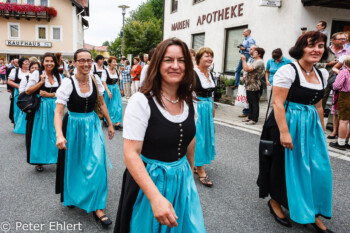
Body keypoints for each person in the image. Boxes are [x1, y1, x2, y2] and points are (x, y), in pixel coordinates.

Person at [114, 38, 206, 233]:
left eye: (181, 60)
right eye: (168, 60)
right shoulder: (141, 102)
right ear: (157, 64)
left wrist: (189, 171)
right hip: (149, 181)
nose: (175, 66)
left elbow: (190, 139)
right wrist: (155, 197)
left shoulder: (190, 100)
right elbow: (131, 153)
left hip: (181, 179)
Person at [258, 31, 333, 233]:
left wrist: (320, 131)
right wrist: (284, 132)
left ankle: (312, 210)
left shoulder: (322, 74)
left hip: (309, 126)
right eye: (311, 45)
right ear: (301, 47)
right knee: (282, 166)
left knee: (315, 168)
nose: (316, 50)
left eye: (320, 46)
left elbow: (318, 106)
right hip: (286, 123)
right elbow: (278, 104)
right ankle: (275, 202)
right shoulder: (287, 71)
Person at [55, 48, 115, 228]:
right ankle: (74, 194)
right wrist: (59, 134)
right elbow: (58, 112)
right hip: (73, 125)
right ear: (74, 62)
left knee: (97, 165)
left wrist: (110, 124)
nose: (86, 64)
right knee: (75, 163)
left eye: (88, 60)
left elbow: (102, 103)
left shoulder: (95, 80)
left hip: (92, 124)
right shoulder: (67, 83)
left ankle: (98, 207)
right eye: (81, 60)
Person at [25, 53, 61, 172]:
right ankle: (39, 160)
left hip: (55, 107)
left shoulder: (58, 76)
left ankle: (55, 158)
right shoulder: (37, 73)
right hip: (41, 107)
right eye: (47, 61)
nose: (49, 63)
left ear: (55, 63)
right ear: (42, 62)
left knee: (54, 132)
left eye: (51, 61)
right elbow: (28, 91)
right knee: (40, 133)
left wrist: (50, 94)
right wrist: (40, 83)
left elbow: (63, 93)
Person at [192, 47, 216, 187]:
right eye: (206, 56)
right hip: (197, 107)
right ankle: (200, 169)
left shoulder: (210, 74)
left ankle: (196, 163)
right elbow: (185, 91)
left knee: (205, 136)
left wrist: (212, 107)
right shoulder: (193, 73)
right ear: (199, 58)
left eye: (211, 56)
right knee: (198, 138)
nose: (209, 59)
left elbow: (211, 94)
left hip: (207, 108)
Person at [329, 55, 350, 150]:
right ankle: (349, 142)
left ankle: (341, 143)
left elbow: (336, 86)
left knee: (343, 120)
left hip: (345, 96)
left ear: (345, 63)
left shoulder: (344, 72)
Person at [14, 61, 40, 135]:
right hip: (29, 101)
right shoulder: (26, 77)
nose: (34, 69)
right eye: (32, 68)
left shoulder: (42, 77)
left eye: (36, 68)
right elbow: (21, 90)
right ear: (29, 68)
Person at [241, 47, 265, 125]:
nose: (253, 53)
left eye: (255, 52)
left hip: (254, 85)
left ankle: (254, 119)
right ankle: (249, 116)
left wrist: (244, 60)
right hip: (249, 84)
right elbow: (247, 70)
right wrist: (245, 77)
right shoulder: (255, 61)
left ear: (259, 54)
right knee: (250, 102)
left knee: (254, 102)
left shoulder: (259, 62)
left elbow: (247, 69)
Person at [7, 57, 30, 131]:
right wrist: (18, 86)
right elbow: (9, 81)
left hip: (29, 91)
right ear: (21, 63)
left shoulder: (31, 71)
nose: (27, 63)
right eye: (25, 61)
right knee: (17, 108)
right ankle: (17, 123)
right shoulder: (15, 71)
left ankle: (27, 125)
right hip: (18, 91)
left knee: (28, 107)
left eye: (28, 62)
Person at [102, 56, 123, 130]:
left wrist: (120, 89)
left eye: (115, 62)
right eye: (113, 62)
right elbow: (104, 82)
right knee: (109, 106)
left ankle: (117, 123)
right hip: (109, 88)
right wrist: (108, 91)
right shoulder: (105, 71)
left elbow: (117, 81)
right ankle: (107, 120)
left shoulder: (117, 71)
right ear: (109, 63)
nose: (115, 63)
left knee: (118, 105)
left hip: (116, 89)